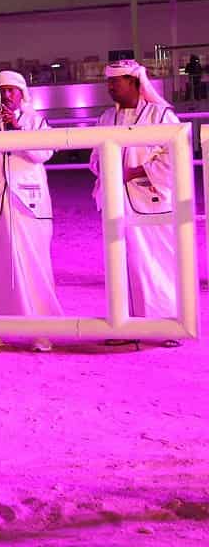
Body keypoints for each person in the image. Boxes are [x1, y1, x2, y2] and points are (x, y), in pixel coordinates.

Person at [91, 59, 182, 344]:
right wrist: (106, 170)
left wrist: (135, 172)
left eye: (115, 82)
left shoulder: (160, 114)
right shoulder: (106, 118)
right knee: (121, 265)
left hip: (152, 203)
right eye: (108, 82)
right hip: (116, 204)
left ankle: (166, 327)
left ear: (134, 83)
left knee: (156, 263)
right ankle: (124, 326)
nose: (110, 87)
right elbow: (95, 158)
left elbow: (175, 156)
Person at [0, 70, 60, 352]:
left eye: (13, 90)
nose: (8, 96)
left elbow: (41, 154)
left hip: (28, 206)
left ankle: (41, 331)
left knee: (34, 265)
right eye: (2, 91)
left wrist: (17, 129)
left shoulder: (36, 121)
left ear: (23, 94)